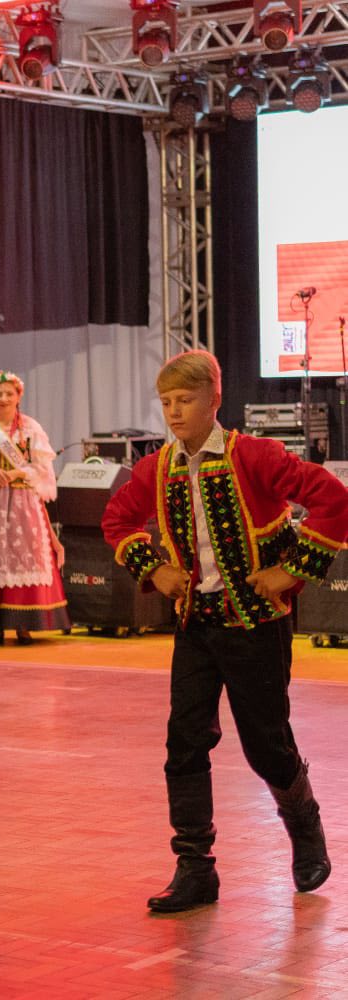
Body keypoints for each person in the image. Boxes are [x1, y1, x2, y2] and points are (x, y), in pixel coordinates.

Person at [103, 349, 348, 913]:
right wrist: (154, 569)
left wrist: (291, 571)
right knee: (183, 743)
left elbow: (334, 499)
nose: (173, 412)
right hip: (196, 625)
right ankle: (195, 868)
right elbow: (117, 519)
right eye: (166, 402)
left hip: (256, 626)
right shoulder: (155, 468)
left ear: (214, 399)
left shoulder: (256, 455)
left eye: (185, 400)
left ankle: (306, 827)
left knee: (266, 744)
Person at [0, 371, 68, 645]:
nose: (4, 398)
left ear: (19, 396)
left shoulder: (31, 428)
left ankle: (23, 624)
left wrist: (19, 473)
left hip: (22, 504)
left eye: (9, 393)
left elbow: (43, 469)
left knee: (22, 554)